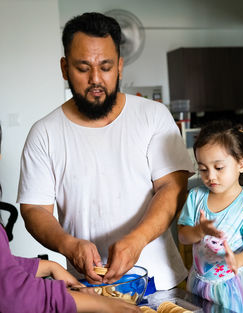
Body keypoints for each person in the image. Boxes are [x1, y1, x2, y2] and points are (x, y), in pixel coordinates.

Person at [17, 12, 194, 291]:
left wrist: (136, 240)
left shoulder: (153, 115)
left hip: (161, 282)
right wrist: (68, 245)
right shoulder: (44, 133)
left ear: (120, 67)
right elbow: (34, 209)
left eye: (106, 66)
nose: (96, 79)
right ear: (64, 68)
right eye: (83, 67)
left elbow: (173, 187)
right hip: (86, 289)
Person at [0, 124, 141, 313]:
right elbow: (13, 296)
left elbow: (4, 266)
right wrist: (101, 304)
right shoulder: (45, 133)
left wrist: (47, 266)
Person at [178, 120, 243, 312]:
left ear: (241, 164)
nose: (210, 176)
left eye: (218, 168)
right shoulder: (196, 197)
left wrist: (239, 260)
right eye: (203, 169)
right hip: (198, 284)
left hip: (232, 288)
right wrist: (199, 231)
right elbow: (183, 237)